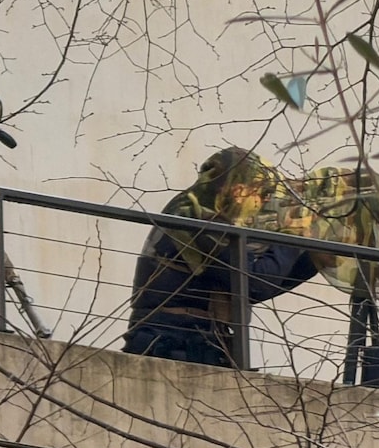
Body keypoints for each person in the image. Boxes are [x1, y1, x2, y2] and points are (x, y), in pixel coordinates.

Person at [123, 148, 320, 367]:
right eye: (262, 194)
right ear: (238, 191)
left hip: (197, 339)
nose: (264, 203)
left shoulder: (211, 217)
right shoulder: (193, 215)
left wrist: (315, 257)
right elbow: (254, 283)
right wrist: (291, 236)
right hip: (171, 340)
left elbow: (253, 286)